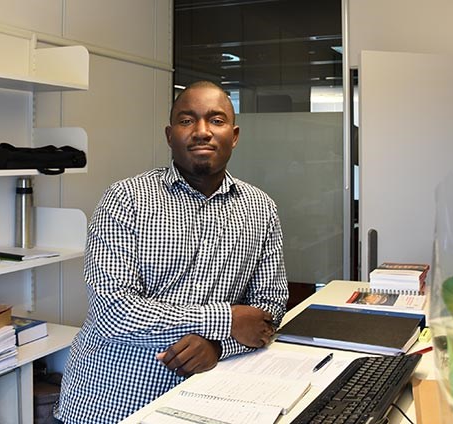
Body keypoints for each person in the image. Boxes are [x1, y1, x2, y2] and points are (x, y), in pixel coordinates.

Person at [55, 80, 289, 423]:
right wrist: (227, 320)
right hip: (110, 403)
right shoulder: (125, 199)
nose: (202, 131)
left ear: (234, 135)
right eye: (186, 120)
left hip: (208, 396)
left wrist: (219, 347)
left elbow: (268, 310)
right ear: (169, 135)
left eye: (217, 120)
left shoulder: (261, 209)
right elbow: (114, 312)